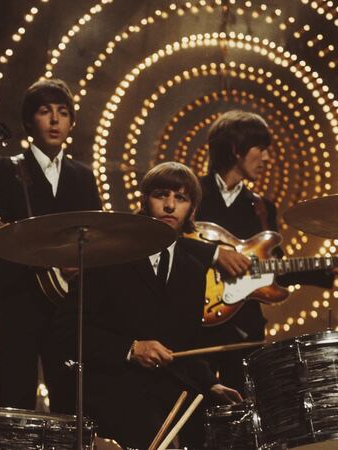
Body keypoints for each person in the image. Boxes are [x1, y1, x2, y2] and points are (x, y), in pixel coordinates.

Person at [50, 162, 241, 449]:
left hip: (168, 397)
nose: (169, 205)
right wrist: (130, 348)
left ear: (192, 210)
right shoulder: (109, 257)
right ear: (144, 201)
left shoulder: (192, 269)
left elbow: (184, 346)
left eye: (181, 198)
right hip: (111, 393)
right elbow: (66, 330)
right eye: (161, 195)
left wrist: (210, 383)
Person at [190, 110, 338, 392]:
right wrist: (215, 255)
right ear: (236, 149)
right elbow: (167, 245)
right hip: (195, 326)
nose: (268, 159)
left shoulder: (261, 208)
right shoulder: (191, 193)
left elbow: (275, 271)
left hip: (244, 332)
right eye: (262, 149)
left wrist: (330, 268)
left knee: (245, 413)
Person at [0, 78, 102, 411]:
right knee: (17, 401)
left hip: (69, 309)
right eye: (45, 112)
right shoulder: (2, 171)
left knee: (70, 405)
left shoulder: (83, 176)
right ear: (30, 120)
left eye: (63, 113)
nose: (56, 120)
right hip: (17, 304)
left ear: (72, 123)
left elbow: (98, 240)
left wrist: (83, 260)